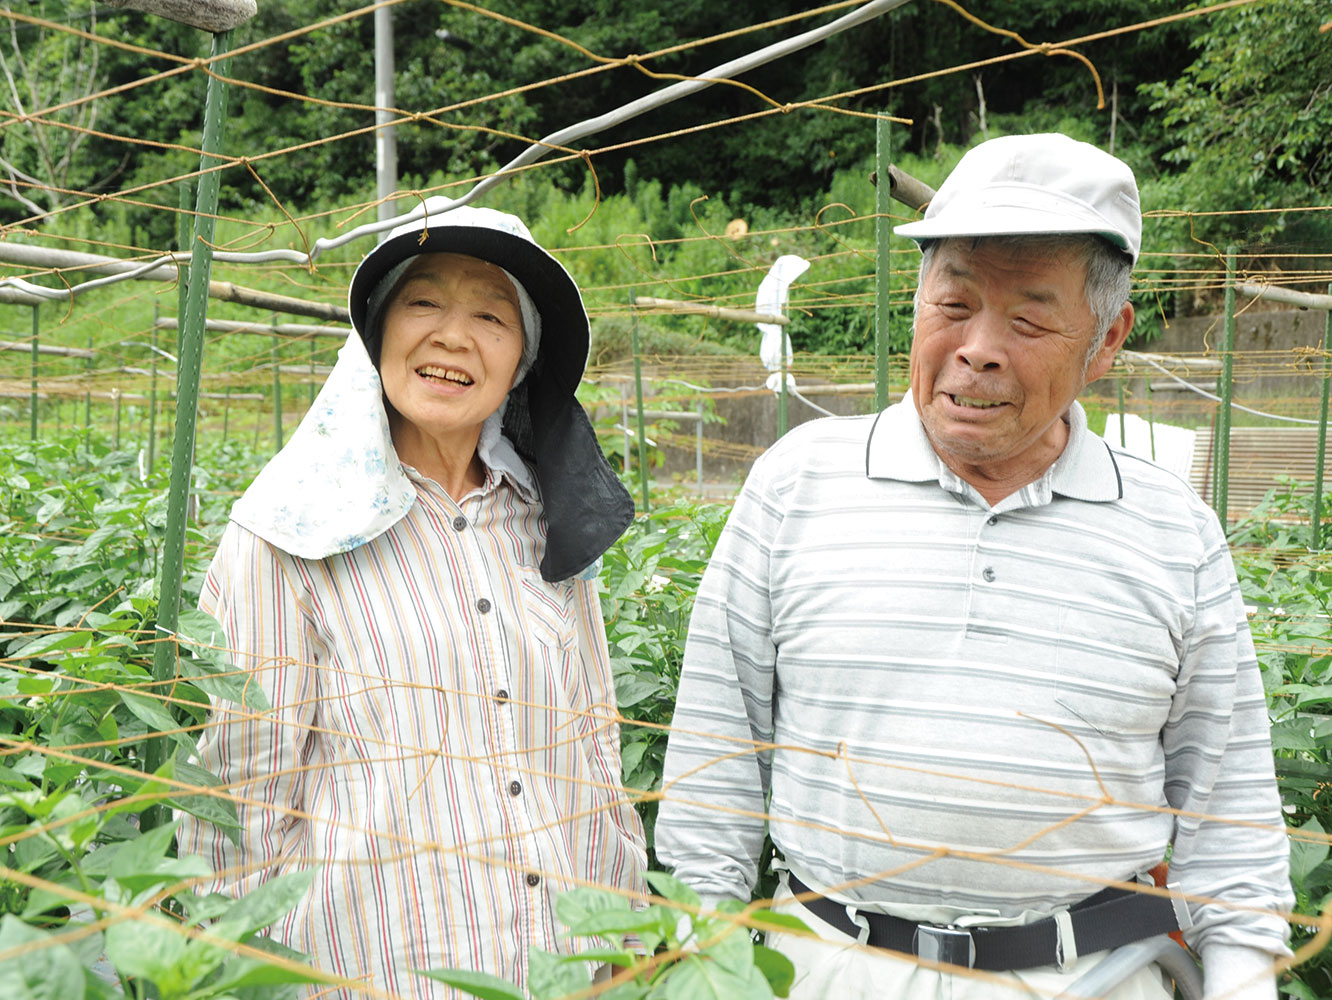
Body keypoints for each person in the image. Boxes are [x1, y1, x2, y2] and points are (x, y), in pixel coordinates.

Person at [654, 134, 1293, 999]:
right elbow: (715, 764)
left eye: (1029, 321)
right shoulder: (796, 484)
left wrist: (1244, 980)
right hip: (832, 969)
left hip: (1091, 977)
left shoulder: (1171, 530)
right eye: (952, 304)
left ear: (1106, 343)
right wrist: (699, 965)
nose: (979, 348)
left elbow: (1232, 808)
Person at [178, 202, 647, 998]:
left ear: (522, 360)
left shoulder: (546, 524)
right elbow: (238, 793)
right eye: (423, 302)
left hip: (557, 973)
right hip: (367, 972)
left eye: (492, 316)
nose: (453, 337)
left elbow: (593, 750)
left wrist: (625, 942)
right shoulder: (289, 534)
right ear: (378, 334)